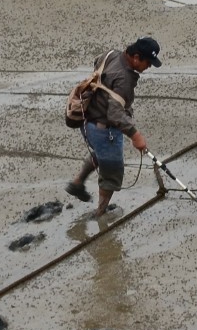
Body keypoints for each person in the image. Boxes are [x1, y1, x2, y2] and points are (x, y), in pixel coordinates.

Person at [67, 35, 161, 216]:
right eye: (147, 63)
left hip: (87, 121)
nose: (148, 67)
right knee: (112, 170)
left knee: (101, 154)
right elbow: (115, 114)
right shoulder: (124, 79)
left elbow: (97, 63)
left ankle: (78, 183)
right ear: (136, 58)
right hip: (102, 128)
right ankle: (100, 213)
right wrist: (135, 135)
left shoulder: (111, 54)